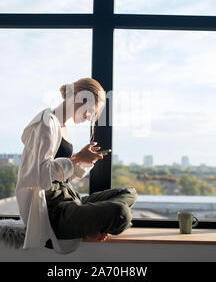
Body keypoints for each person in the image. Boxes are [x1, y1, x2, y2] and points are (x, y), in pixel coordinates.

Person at [15, 77, 137, 254]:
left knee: (129, 193)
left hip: (69, 199)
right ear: (78, 97)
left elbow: (62, 175)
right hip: (53, 211)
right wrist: (77, 157)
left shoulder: (60, 125)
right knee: (121, 213)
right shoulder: (46, 124)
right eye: (89, 111)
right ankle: (85, 227)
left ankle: (88, 225)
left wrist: (84, 161)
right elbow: (37, 174)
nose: (89, 117)